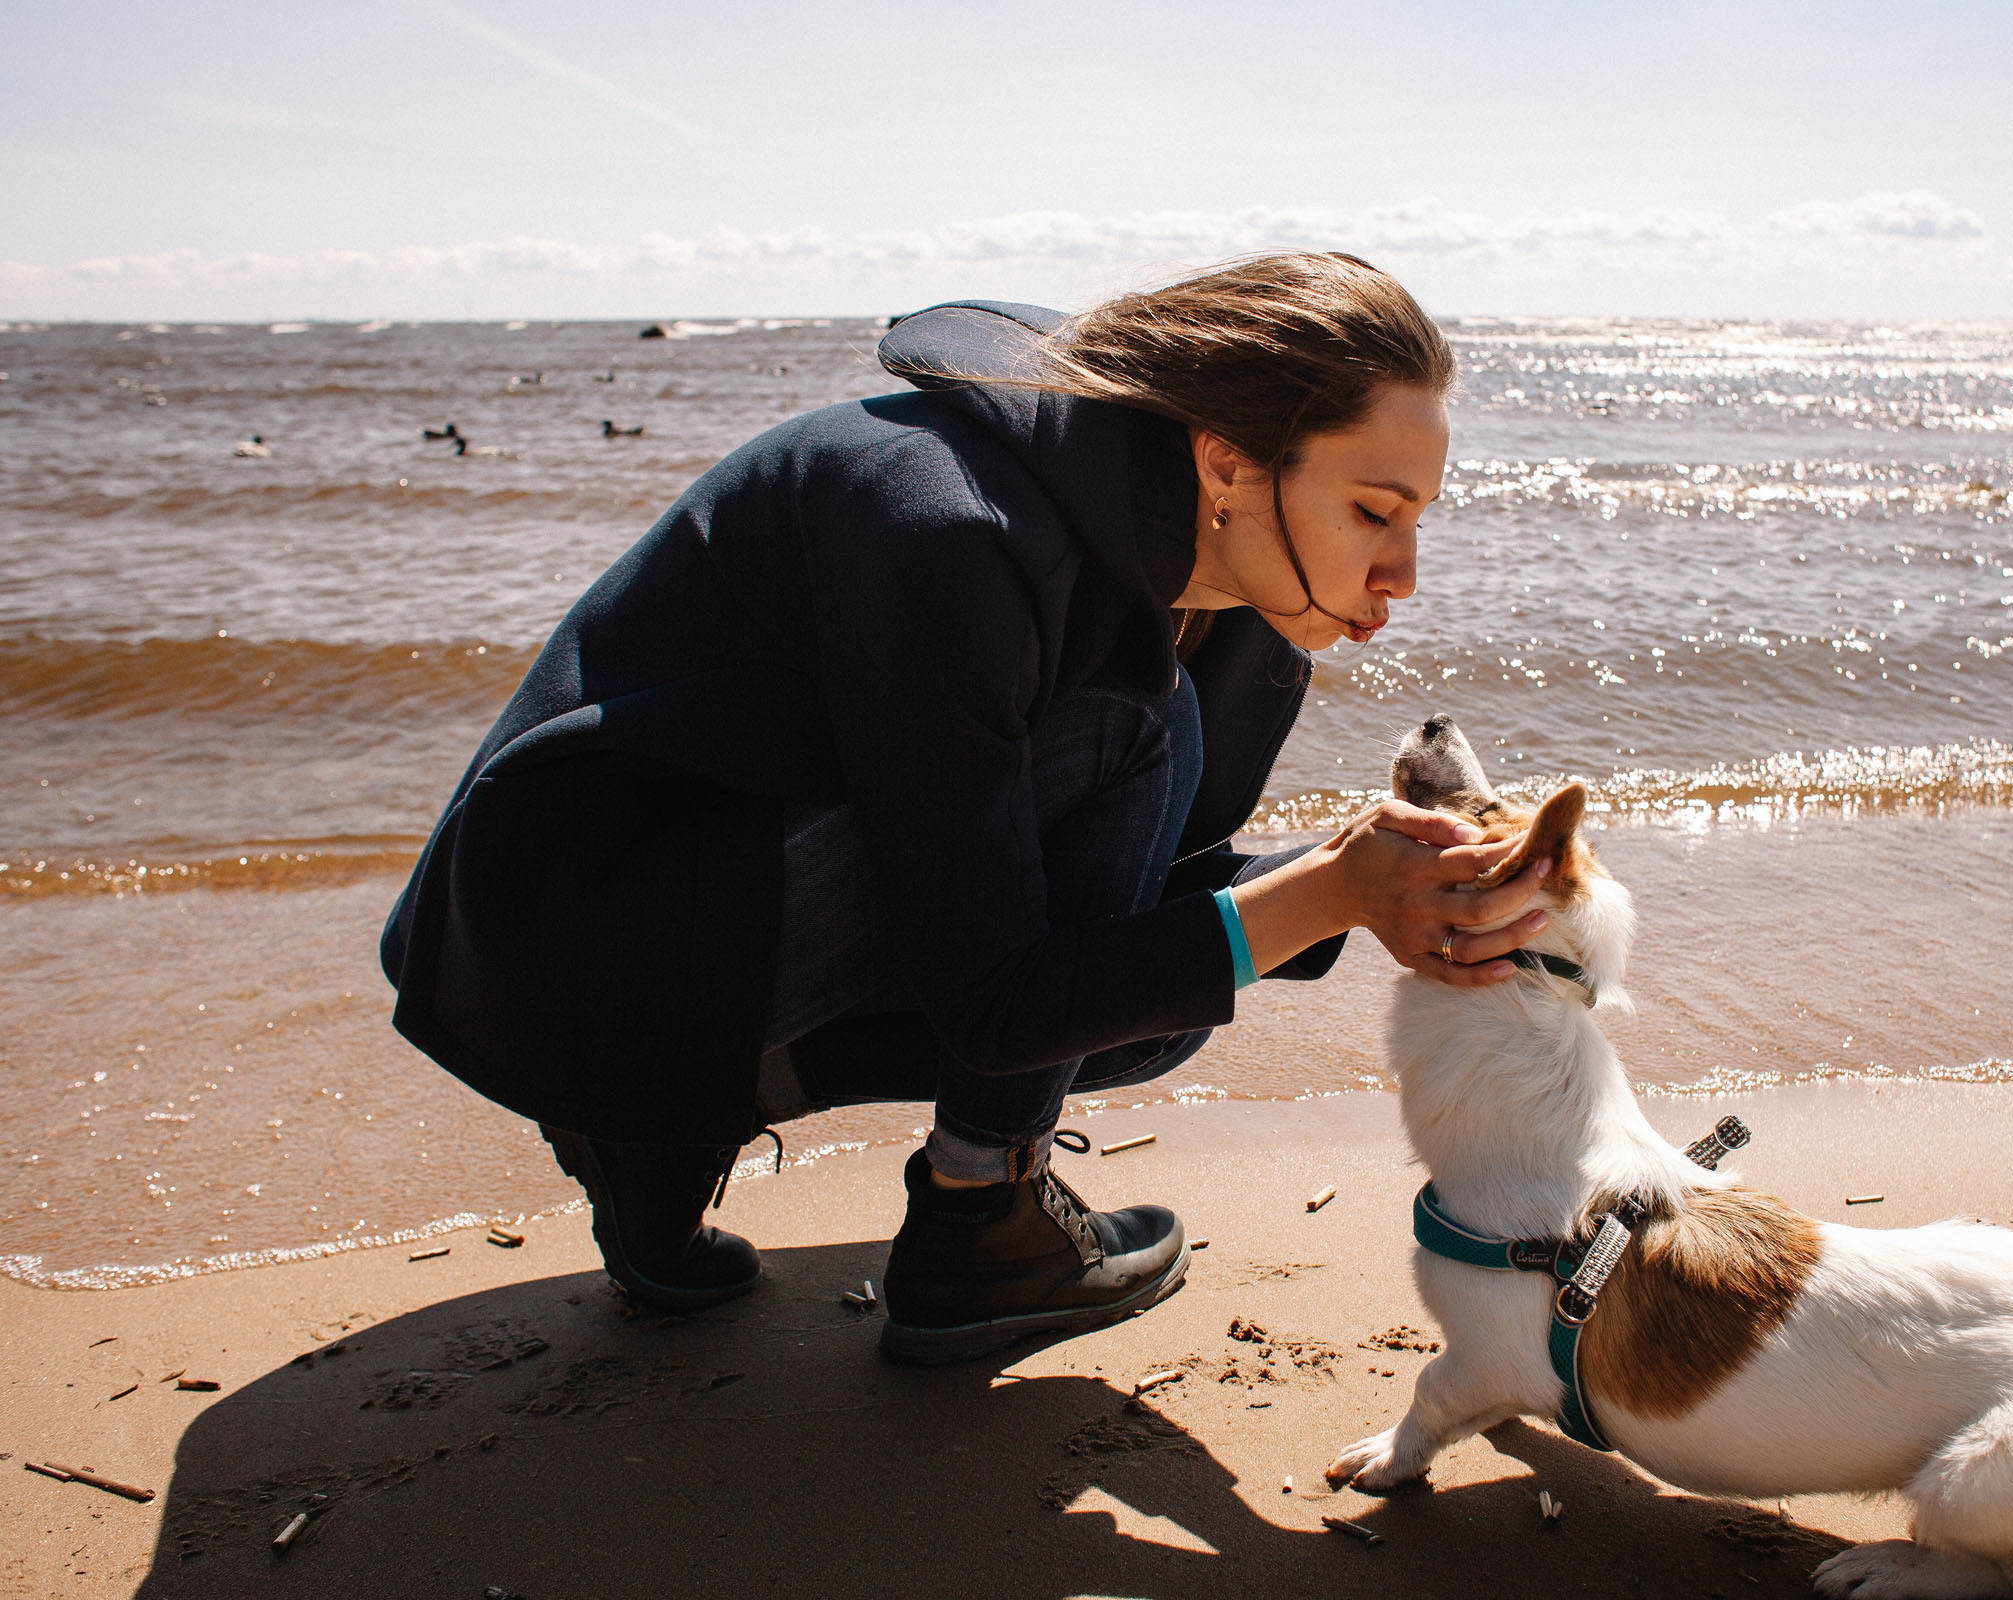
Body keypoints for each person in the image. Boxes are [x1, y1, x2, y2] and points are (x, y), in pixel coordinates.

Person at [379, 252, 1555, 1364]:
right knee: (1132, 749)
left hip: (709, 904)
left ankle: (660, 1127)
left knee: (1157, 1002)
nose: (1403, 576)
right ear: (1230, 464)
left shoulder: (1224, 586)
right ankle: (977, 1215)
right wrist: (1334, 888)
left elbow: (1151, 898)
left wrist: (1379, 880)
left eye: (1417, 521)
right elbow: (999, 1003)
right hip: (561, 939)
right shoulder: (954, 529)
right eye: (1374, 511)